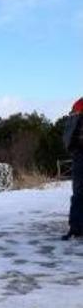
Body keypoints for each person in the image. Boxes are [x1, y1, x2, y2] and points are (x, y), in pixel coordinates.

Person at [61, 97, 83, 240]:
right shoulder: (79, 105)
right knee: (79, 192)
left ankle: (76, 227)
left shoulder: (78, 104)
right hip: (80, 153)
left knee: (79, 192)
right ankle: (76, 227)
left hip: (78, 154)